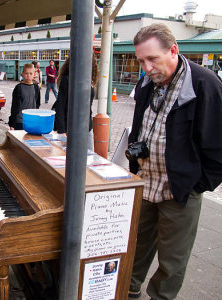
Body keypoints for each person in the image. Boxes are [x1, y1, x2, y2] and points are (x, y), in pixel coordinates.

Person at [127, 23, 222, 300]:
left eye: (152, 59)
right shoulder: (147, 81)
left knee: (172, 261)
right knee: (136, 246)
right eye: (141, 60)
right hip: (145, 182)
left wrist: (197, 184)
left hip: (179, 190)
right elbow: (139, 126)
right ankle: (129, 289)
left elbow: (218, 147)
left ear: (173, 50)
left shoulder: (205, 85)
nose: (146, 67)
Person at [53, 54, 98, 151]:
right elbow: (60, 105)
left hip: (86, 127)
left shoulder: (88, 79)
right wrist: (62, 130)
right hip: (70, 127)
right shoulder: (68, 79)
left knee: (89, 157)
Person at [9, 63, 41, 130]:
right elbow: (14, 107)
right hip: (20, 122)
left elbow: (37, 104)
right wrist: (12, 124)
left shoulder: (36, 88)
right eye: (26, 73)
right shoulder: (18, 88)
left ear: (34, 74)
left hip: (32, 121)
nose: (28, 76)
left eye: (31, 73)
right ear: (23, 74)